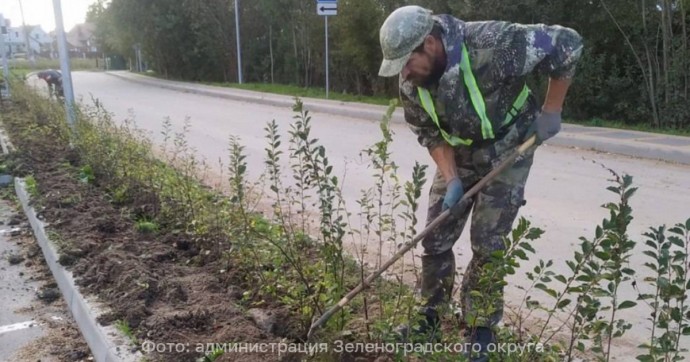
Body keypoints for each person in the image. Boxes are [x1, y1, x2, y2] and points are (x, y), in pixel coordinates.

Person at [377, 5, 582, 361]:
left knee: (488, 242)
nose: (405, 75)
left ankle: (480, 327)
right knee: (435, 235)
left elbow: (567, 44)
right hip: (457, 152)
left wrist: (552, 110)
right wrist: (452, 178)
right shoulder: (411, 82)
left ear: (429, 43)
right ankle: (430, 317)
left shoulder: (493, 42)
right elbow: (428, 133)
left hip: (509, 149)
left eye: (408, 63)